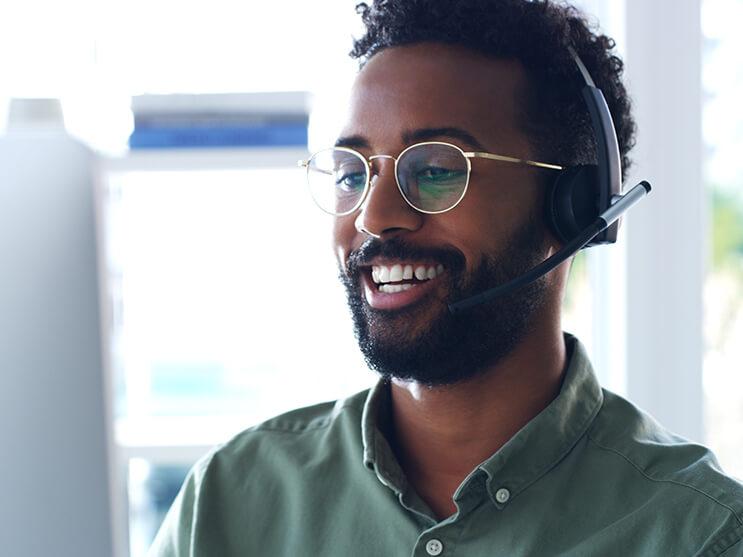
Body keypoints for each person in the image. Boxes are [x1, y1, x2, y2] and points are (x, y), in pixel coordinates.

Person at [149, 1, 743, 555]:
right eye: (353, 175)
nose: (374, 217)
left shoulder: (698, 532)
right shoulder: (230, 501)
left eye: (435, 170)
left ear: (574, 206)